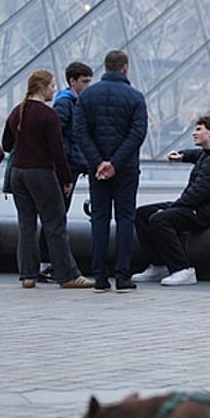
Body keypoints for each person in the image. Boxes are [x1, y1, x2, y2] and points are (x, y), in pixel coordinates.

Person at [3, 70, 95, 290]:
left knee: (26, 224)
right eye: (52, 86)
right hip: (41, 173)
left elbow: (6, 144)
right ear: (42, 87)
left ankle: (27, 275)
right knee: (55, 224)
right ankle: (67, 275)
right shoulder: (47, 115)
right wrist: (66, 179)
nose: (55, 90)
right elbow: (57, 151)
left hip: (18, 174)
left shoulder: (17, 112)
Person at [73, 50, 149, 292]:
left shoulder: (87, 96)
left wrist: (99, 162)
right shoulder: (135, 97)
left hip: (97, 171)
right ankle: (123, 275)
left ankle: (100, 276)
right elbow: (137, 134)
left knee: (99, 219)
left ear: (104, 68)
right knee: (125, 219)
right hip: (125, 168)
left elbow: (80, 132)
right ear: (125, 68)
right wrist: (114, 163)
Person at [131, 116, 210, 286]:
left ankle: (182, 269)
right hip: (193, 205)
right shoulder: (209, 154)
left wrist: (171, 208)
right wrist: (181, 156)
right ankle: (159, 265)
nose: (194, 133)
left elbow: (199, 192)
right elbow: (195, 154)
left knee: (160, 219)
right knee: (141, 214)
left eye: (199, 129)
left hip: (205, 211)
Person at [38, 61, 94, 278]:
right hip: (67, 167)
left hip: (71, 165)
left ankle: (47, 262)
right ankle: (46, 262)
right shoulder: (65, 104)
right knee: (57, 215)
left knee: (58, 214)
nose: (89, 85)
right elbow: (58, 138)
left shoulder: (71, 102)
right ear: (72, 81)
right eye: (85, 81)